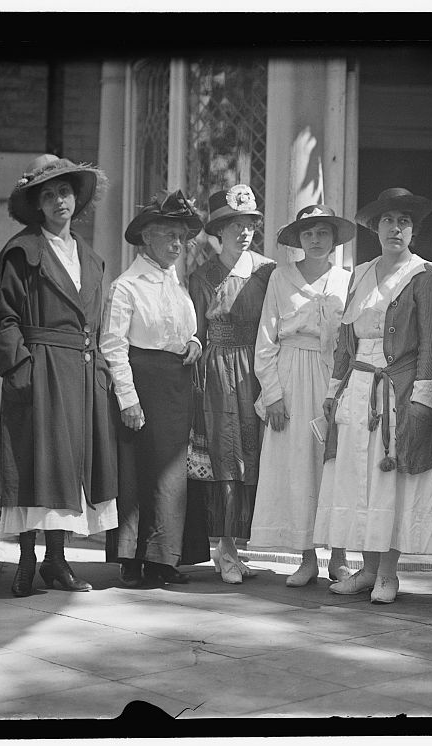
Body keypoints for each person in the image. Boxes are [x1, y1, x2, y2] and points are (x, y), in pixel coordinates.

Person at [0, 154, 117, 597]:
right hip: (39, 368)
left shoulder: (93, 260)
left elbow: (96, 325)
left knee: (67, 468)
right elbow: (3, 319)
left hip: (80, 373)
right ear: (38, 205)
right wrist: (21, 367)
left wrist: (99, 373)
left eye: (65, 191)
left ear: (76, 198)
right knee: (33, 460)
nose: (59, 200)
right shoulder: (23, 252)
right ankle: (26, 559)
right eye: (49, 194)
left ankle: (56, 562)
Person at [313, 188, 432, 604]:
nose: (395, 228)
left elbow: (431, 345)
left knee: (390, 481)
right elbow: (344, 342)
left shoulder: (425, 275)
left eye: (403, 222)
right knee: (359, 479)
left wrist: (422, 400)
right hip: (358, 387)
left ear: (412, 230)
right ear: (375, 228)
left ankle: (389, 572)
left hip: (397, 389)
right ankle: (367, 570)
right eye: (387, 221)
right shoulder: (361, 272)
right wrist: (334, 392)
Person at [100, 189, 204, 587]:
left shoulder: (175, 283)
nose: (177, 245)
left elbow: (185, 330)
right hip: (142, 383)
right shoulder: (127, 286)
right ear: (146, 238)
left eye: (181, 237)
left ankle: (164, 559)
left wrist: (194, 343)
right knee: (139, 472)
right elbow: (113, 344)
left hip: (176, 385)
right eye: (167, 236)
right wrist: (128, 399)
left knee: (173, 474)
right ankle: (132, 559)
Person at [250, 206, 354, 586]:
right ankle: (305, 556)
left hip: (332, 374)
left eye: (322, 233)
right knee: (297, 466)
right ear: (299, 239)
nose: (315, 240)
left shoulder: (346, 280)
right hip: (291, 373)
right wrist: (273, 394)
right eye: (308, 233)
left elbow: (352, 338)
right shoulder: (281, 277)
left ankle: (338, 557)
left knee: (333, 463)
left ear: (333, 239)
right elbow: (266, 338)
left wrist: (343, 385)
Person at [188, 184, 276, 584]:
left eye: (250, 224)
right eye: (234, 225)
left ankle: (237, 548)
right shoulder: (203, 275)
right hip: (219, 369)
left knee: (252, 453)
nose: (243, 232)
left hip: (256, 367)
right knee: (224, 454)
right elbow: (194, 328)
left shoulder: (268, 271)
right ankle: (221, 548)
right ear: (218, 231)